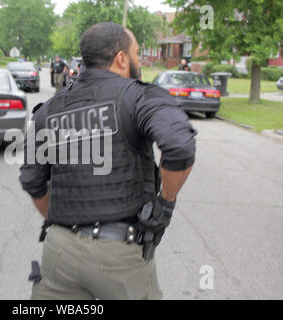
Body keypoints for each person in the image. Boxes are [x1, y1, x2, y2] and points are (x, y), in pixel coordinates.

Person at [20, 22, 197, 300]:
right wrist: (165, 204)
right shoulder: (139, 96)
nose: (139, 60)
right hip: (120, 258)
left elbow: (32, 180)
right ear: (122, 58)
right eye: (137, 53)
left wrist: (67, 222)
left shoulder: (50, 110)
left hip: (59, 253)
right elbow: (179, 146)